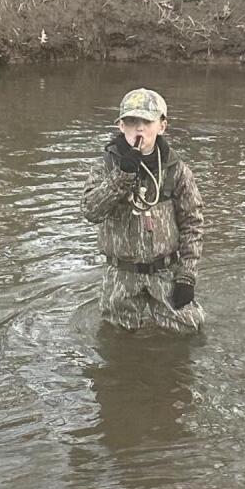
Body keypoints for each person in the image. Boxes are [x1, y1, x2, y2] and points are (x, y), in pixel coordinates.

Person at [82, 87, 205, 331]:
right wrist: (121, 177)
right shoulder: (105, 165)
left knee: (190, 330)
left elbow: (193, 223)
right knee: (114, 339)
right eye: (131, 121)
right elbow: (90, 211)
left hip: (165, 272)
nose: (139, 129)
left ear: (162, 125)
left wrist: (187, 276)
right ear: (121, 126)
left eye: (146, 121)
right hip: (120, 274)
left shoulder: (176, 169)